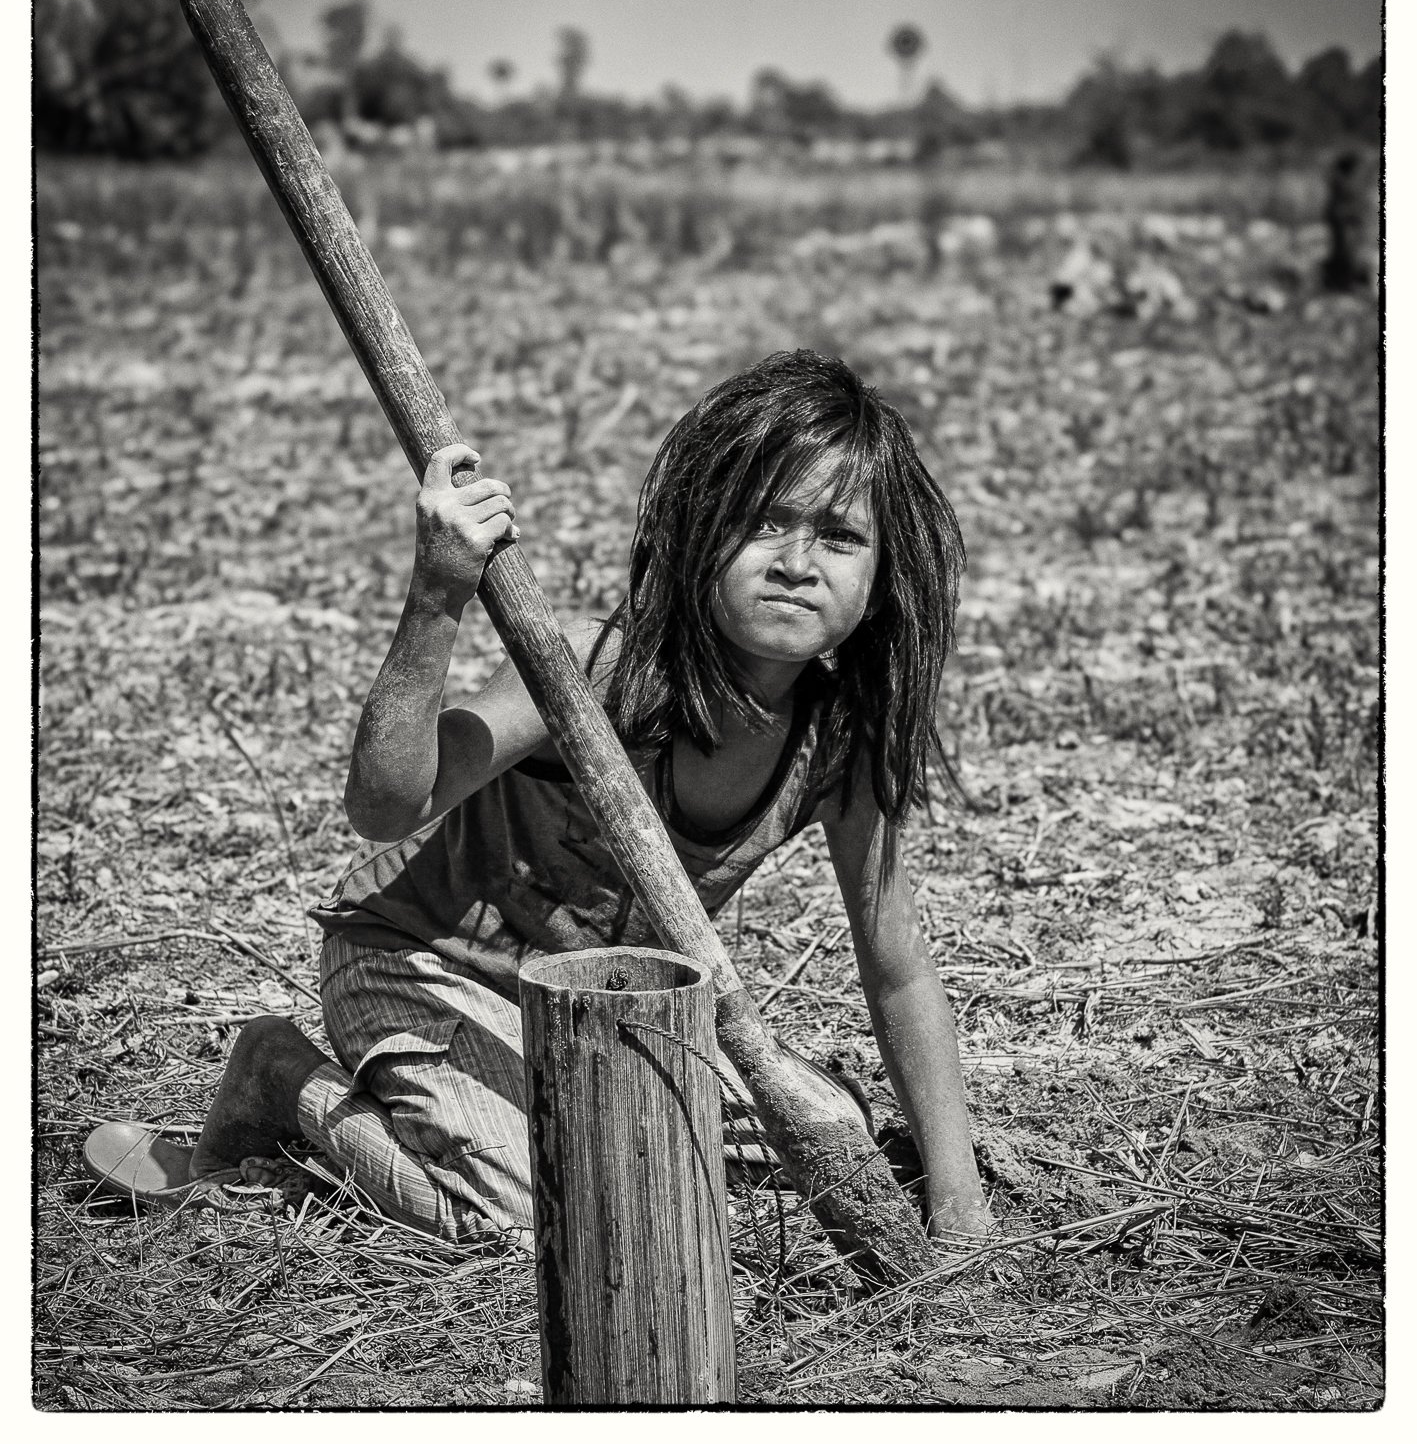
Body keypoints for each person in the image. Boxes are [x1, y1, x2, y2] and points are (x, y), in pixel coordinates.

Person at [85, 350, 991, 1243]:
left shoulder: (839, 739)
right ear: (696, 534)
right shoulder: (605, 672)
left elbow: (898, 968)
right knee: (534, 1220)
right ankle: (285, 1078)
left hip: (595, 1012)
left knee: (801, 1150)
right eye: (764, 524)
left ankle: (535, 1115)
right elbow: (386, 805)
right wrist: (440, 591)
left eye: (838, 536)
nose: (798, 562)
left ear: (879, 581)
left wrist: (959, 1208)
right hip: (424, 969)